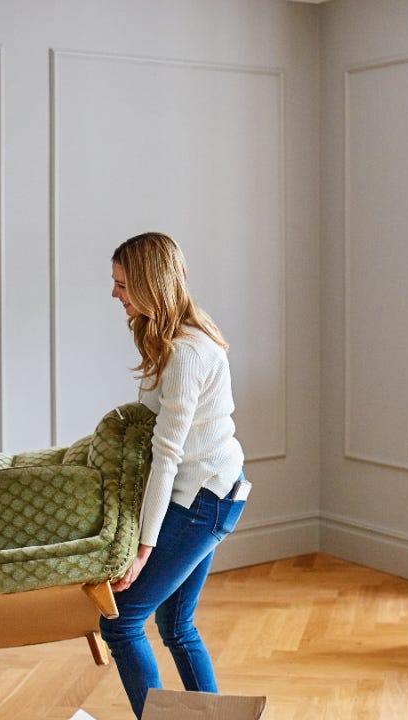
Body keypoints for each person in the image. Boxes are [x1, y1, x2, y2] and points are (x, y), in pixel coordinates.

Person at [101, 232, 251, 718]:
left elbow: (167, 455)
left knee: (122, 623)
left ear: (148, 284)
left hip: (202, 501)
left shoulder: (186, 353)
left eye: (122, 284)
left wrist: (143, 550)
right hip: (213, 491)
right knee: (177, 624)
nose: (115, 294)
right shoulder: (171, 337)